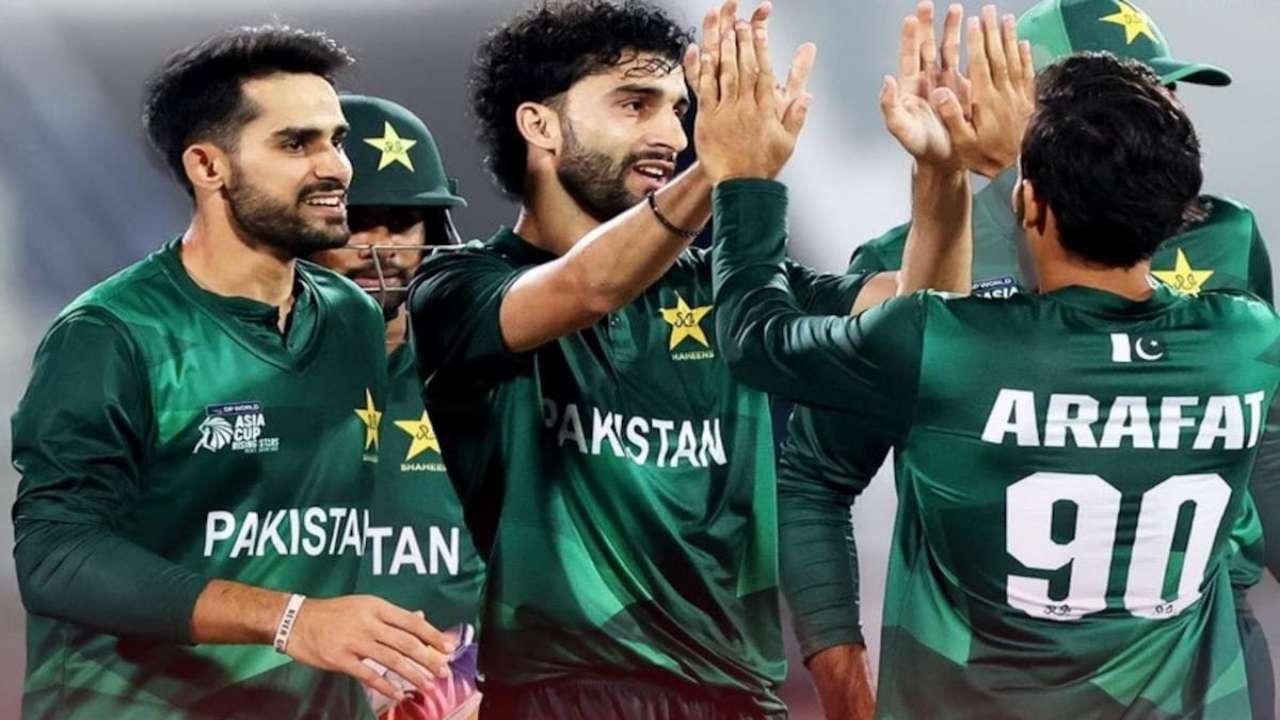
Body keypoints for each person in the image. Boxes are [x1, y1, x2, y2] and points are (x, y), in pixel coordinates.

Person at [408, 0, 974, 715]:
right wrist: (721, 170)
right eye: (635, 104)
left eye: (680, 110)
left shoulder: (723, 283)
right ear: (539, 124)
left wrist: (942, 176)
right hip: (567, 692)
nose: (672, 136)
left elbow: (923, 322)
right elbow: (588, 287)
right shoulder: (458, 287)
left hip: (741, 694)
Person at [712, 49, 1267, 719]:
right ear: (1178, 213)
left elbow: (754, 337)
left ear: (1027, 203)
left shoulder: (947, 344)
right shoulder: (1245, 340)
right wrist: (980, 170)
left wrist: (747, 180)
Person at [10, 26, 452, 720]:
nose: (336, 167)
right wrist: (291, 619)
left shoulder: (351, 319)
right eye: (296, 144)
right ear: (208, 166)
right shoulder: (112, 333)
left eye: (335, 140)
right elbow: (56, 558)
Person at [311, 93, 485, 720]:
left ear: (434, 235)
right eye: (355, 219)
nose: (378, 246)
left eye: (402, 221)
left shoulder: (486, 377)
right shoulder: (238, 379)